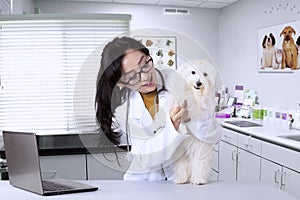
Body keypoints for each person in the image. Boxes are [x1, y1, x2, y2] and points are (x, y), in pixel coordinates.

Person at [95, 36, 218, 181]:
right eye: (132, 76)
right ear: (120, 83)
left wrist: (194, 118)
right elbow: (145, 157)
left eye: (145, 65)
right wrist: (173, 125)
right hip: (144, 182)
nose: (145, 77)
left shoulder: (179, 79)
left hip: (181, 180)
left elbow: (211, 134)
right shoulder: (123, 109)